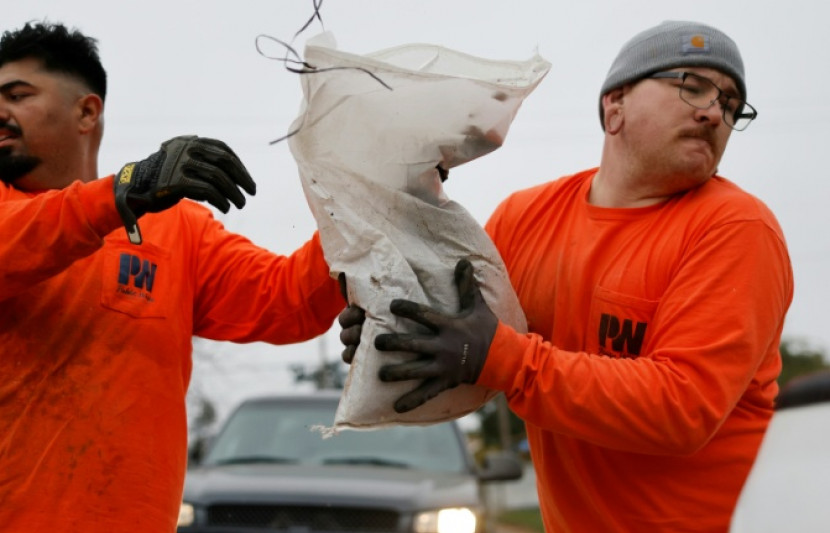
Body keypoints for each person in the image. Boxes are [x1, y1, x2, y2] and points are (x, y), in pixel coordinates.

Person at [0, 22, 346, 532]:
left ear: (87, 111)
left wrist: (368, 204)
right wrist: (120, 194)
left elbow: (287, 302)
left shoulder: (178, 231)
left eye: (17, 95)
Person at [339, 20, 793, 532]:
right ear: (614, 105)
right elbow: (461, 335)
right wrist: (395, 333)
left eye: (732, 105)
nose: (714, 113)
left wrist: (497, 358)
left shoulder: (736, 229)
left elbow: (682, 408)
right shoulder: (524, 218)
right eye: (691, 85)